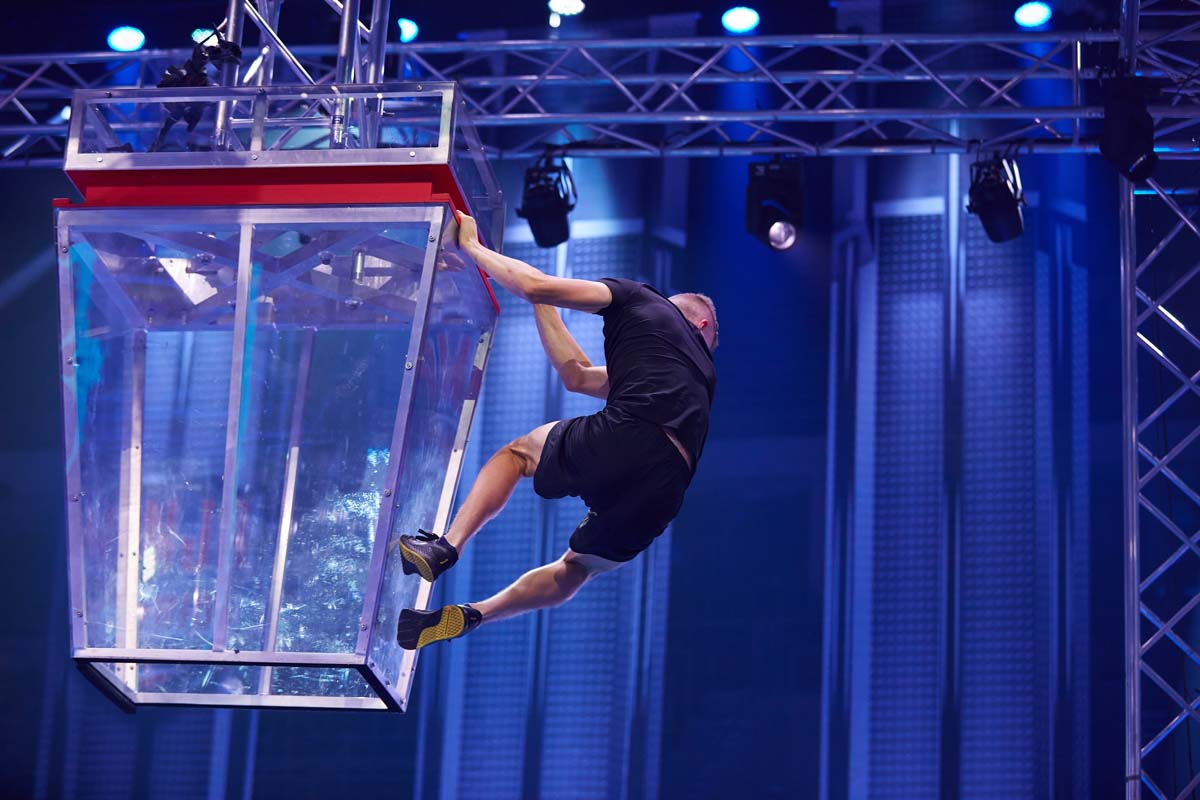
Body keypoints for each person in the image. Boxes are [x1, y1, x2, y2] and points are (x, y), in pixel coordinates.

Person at [396, 211, 717, 650]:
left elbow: (534, 285)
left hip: (633, 432)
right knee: (578, 568)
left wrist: (472, 246)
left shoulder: (640, 297)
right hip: (666, 491)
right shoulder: (701, 380)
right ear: (703, 329)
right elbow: (578, 376)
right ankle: (475, 615)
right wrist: (542, 304)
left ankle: (445, 547)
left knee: (517, 455)